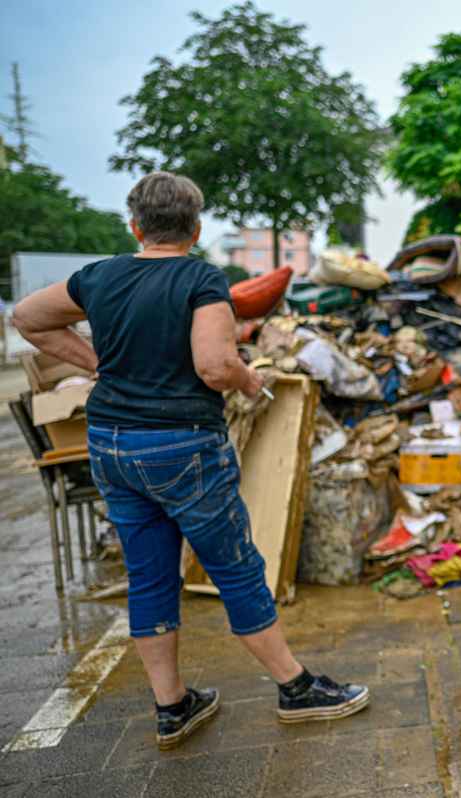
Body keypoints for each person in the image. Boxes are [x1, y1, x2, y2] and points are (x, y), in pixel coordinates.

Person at [12, 172, 368, 751]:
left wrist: (98, 362)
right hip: (181, 444)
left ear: (135, 226)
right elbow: (212, 366)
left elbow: (27, 317)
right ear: (196, 229)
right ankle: (295, 688)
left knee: (150, 574)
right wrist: (249, 378)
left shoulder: (97, 276)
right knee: (234, 566)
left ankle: (172, 705)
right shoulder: (200, 278)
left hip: (111, 442)